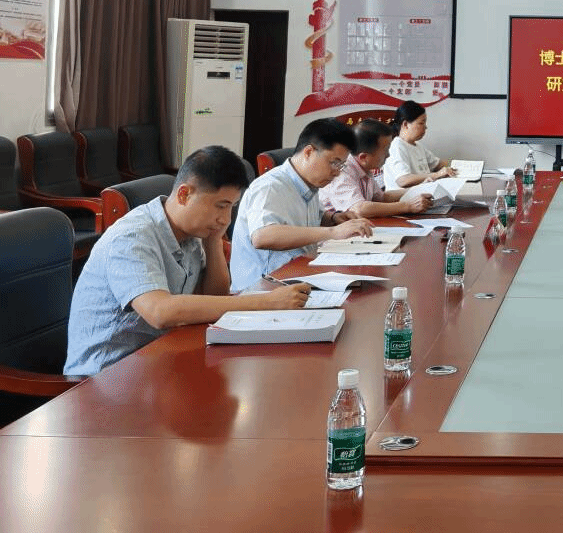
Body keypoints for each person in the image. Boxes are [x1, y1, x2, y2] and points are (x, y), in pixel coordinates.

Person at [64, 146, 311, 376]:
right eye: (221, 206)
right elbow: (160, 312)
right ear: (184, 194)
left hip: (159, 358)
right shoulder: (132, 237)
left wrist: (213, 242)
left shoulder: (191, 232)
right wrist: (266, 302)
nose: (226, 219)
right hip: (105, 376)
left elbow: (215, 297)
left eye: (231, 208)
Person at [229, 118, 374, 291]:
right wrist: (333, 232)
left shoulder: (309, 183)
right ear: (308, 152)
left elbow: (310, 218)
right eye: (334, 163)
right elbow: (262, 236)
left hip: (297, 279)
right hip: (262, 290)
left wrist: (334, 218)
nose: (337, 172)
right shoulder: (270, 187)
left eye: (341, 165)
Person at [320, 119, 435, 219]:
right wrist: (408, 206)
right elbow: (359, 209)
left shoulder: (364, 167)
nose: (388, 155)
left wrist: (418, 189)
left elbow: (381, 197)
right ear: (364, 157)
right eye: (386, 150)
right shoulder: (342, 171)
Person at [383, 100, 456, 189]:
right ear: (405, 124)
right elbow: (403, 180)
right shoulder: (396, 146)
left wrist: (462, 165)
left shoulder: (418, 146)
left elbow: (438, 164)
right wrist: (436, 175)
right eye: (421, 123)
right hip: (405, 197)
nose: (425, 127)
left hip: (422, 194)